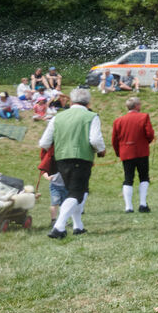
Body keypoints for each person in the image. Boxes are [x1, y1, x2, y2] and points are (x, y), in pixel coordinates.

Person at [39, 88, 106, 238]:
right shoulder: (91, 116)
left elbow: (44, 142)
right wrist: (101, 150)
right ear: (88, 102)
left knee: (73, 192)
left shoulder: (58, 117)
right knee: (77, 193)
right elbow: (95, 139)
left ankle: (78, 226)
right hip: (81, 158)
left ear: (71, 100)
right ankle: (59, 227)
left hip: (61, 159)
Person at [112, 96, 155, 213]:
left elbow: (114, 140)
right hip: (141, 151)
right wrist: (146, 142)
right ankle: (142, 203)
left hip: (126, 152)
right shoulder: (144, 117)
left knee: (128, 178)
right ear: (137, 106)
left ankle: (128, 206)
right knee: (144, 177)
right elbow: (150, 134)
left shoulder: (118, 121)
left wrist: (118, 152)